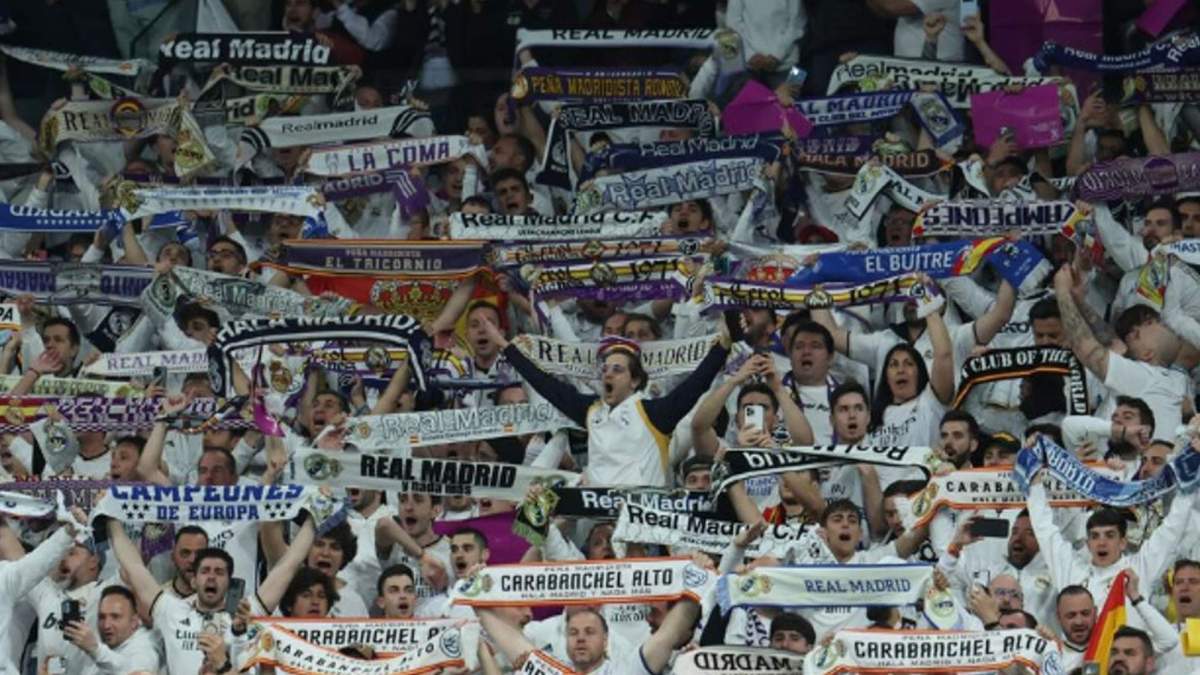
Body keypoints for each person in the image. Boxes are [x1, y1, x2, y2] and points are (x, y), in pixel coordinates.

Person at [486, 323, 732, 487]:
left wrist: (722, 347)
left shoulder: (653, 413)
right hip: (598, 517)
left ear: (635, 380)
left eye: (617, 370)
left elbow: (694, 387)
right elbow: (546, 385)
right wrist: (506, 347)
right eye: (604, 370)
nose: (608, 375)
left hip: (641, 517)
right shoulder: (591, 410)